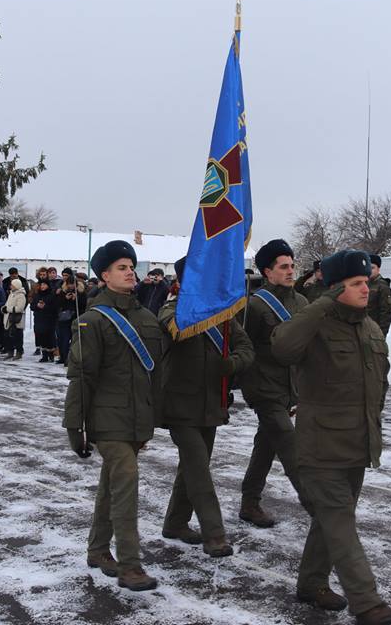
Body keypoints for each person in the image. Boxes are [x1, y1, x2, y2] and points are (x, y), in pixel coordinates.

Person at [272, 249, 391, 625]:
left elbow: (379, 384)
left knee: (330, 521)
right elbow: (282, 347)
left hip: (357, 445)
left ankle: (311, 583)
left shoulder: (369, 328)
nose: (367, 289)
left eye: (366, 282)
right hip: (320, 447)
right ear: (335, 289)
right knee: (341, 524)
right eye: (357, 284)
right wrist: (321, 304)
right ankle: (367, 602)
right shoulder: (315, 324)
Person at [63, 240, 164, 591]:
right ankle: (130, 565)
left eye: (131, 266)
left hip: (137, 420)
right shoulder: (92, 321)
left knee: (111, 486)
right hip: (107, 421)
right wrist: (75, 426)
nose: (130, 271)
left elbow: (157, 372)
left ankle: (97, 550)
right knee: (126, 481)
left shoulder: (147, 318)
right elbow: (80, 377)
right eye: (121, 267)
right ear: (104, 276)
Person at [158, 256, 254, 557]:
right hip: (179, 405)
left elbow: (246, 348)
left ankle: (175, 523)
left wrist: (232, 364)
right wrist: (197, 306)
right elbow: (176, 329)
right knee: (198, 468)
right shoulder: (171, 309)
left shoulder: (223, 317)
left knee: (193, 467)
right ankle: (215, 534)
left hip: (211, 404)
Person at [239, 239, 309, 528]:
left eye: (292, 265)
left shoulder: (302, 302)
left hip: (290, 386)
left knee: (266, 444)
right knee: (290, 444)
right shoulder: (255, 306)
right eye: (283, 267)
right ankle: (320, 508)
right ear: (267, 272)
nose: (290, 271)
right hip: (264, 387)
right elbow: (244, 346)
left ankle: (249, 502)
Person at [54, 268, 87, 364]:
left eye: (73, 284)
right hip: (64, 319)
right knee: (63, 339)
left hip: (76, 318)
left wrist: (77, 299)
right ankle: (63, 357)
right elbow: (57, 304)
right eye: (69, 284)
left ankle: (72, 358)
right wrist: (65, 298)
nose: (71, 286)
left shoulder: (81, 293)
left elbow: (84, 306)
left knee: (74, 340)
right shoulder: (62, 292)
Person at [30, 278, 58, 362]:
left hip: (49, 319)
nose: (42, 286)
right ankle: (44, 355)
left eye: (44, 285)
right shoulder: (37, 295)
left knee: (49, 337)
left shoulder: (52, 295)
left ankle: (51, 354)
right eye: (41, 285)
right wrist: (37, 306)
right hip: (39, 319)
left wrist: (45, 307)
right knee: (41, 336)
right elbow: (32, 306)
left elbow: (55, 308)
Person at [366, 254, 391, 336]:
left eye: (372, 268)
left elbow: (386, 313)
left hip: (375, 331)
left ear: (378, 269)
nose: (369, 270)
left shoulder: (383, 286)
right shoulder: (364, 284)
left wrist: (381, 334)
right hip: (363, 329)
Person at [2, 278, 28, 360]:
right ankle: (10, 352)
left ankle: (19, 352)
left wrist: (7, 309)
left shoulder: (21, 295)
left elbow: (20, 308)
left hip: (16, 320)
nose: (10, 286)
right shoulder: (11, 294)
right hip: (8, 319)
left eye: (12, 285)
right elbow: (6, 305)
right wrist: (3, 309)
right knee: (8, 337)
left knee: (18, 337)